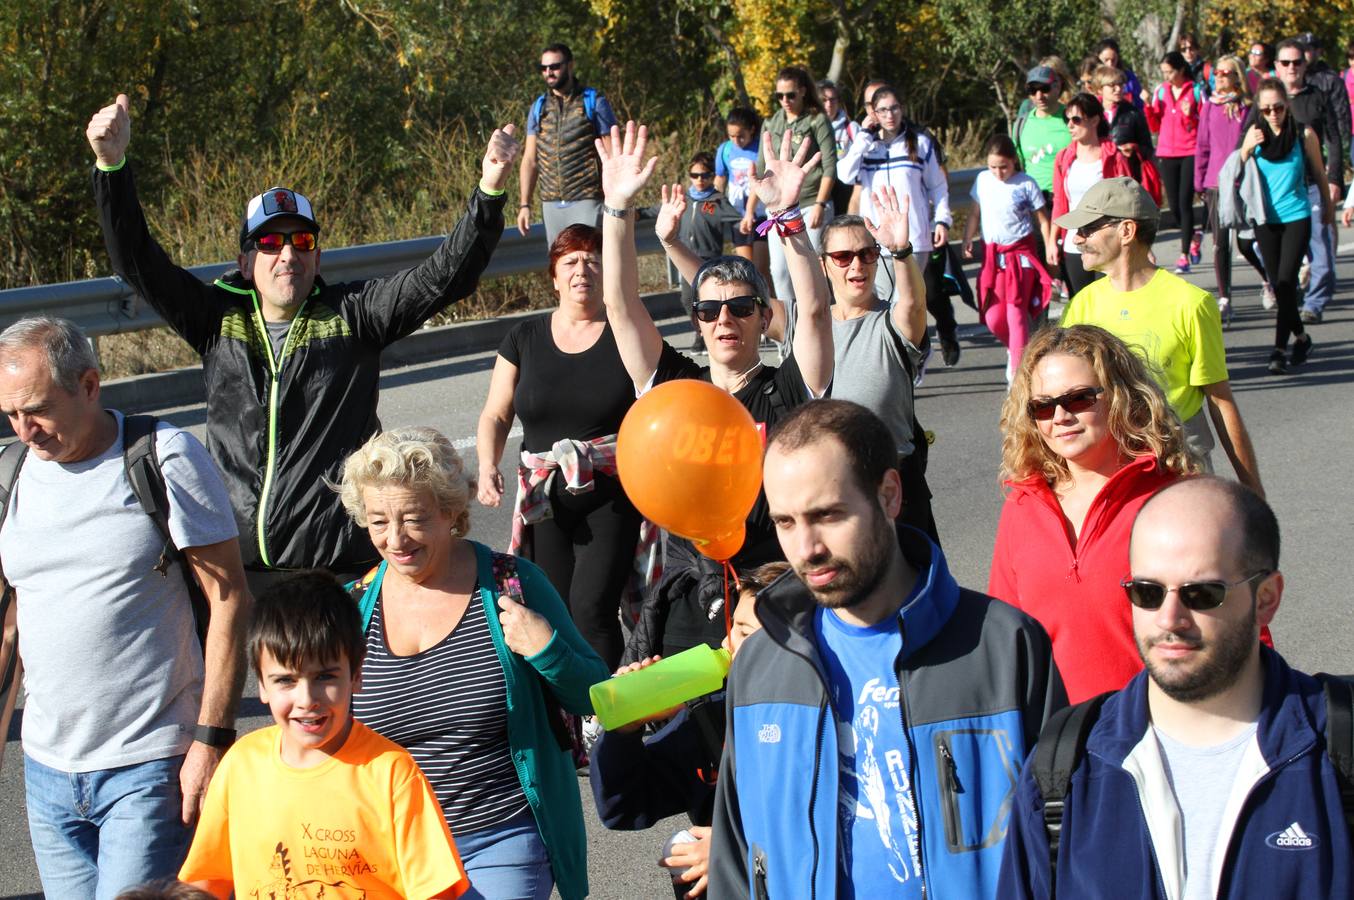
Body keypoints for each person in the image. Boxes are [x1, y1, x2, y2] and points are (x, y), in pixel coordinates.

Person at [86, 93, 521, 590]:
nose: (288, 254)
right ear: (247, 262)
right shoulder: (215, 318)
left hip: (339, 567)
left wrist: (488, 191)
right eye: (271, 243)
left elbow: (443, 277)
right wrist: (111, 167)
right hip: (241, 564)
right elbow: (137, 261)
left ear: (317, 258)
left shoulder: (354, 314)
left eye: (303, 241)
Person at [708, 399, 1066, 899]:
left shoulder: (1003, 647)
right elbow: (736, 859)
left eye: (828, 515)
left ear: (890, 495)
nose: (806, 548)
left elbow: (1067, 847)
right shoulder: (761, 666)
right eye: (786, 523)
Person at [998, 477, 1354, 899]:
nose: (1169, 618)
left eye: (1201, 593)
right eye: (1147, 592)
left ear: (1266, 599)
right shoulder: (1064, 770)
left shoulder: (1336, 749)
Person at [0, 316, 250, 900]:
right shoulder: (11, 475)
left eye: (36, 409)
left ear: (89, 385)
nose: (24, 429)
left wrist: (212, 740)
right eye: (9, 414)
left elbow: (229, 597)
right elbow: (9, 623)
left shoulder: (163, 458)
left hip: (149, 767)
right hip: (46, 772)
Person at [342, 428, 609, 899]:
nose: (396, 539)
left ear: (450, 511)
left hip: (500, 837)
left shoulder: (513, 584)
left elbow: (596, 695)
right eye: (379, 521)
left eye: (413, 519)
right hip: (388, 848)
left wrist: (547, 650)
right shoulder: (352, 608)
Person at [601, 120, 832, 659]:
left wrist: (789, 219)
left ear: (761, 317)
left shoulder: (790, 391)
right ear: (698, 322)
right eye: (709, 310)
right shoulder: (675, 387)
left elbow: (816, 310)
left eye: (740, 308)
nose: (724, 318)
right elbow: (619, 305)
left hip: (777, 596)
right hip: (688, 601)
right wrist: (616, 210)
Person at [178, 572, 470, 899]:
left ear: (356, 675)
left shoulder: (392, 773)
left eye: (325, 677)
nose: (306, 699)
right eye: (286, 680)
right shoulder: (241, 765)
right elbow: (205, 881)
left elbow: (434, 891)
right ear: (260, 684)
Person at [989, 324, 1201, 703]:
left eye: (1079, 399)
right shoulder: (1022, 506)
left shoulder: (1175, 498)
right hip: (1056, 739)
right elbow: (1003, 637)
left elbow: (1232, 625)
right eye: (1042, 406)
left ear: (1121, 396)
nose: (1059, 417)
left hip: (1161, 729)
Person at [476, 226, 649, 669]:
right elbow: (497, 414)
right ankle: (568, 719)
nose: (582, 270)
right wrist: (487, 463)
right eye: (570, 261)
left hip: (612, 493)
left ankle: (610, 718)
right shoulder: (524, 338)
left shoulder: (627, 334)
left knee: (592, 609)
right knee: (552, 613)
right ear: (554, 276)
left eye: (592, 260)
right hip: (544, 499)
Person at [590, 560, 786, 900]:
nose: (728, 642)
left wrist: (735, 848)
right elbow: (625, 807)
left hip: (806, 875)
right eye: (732, 626)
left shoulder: (832, 720)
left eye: (744, 631)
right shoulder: (712, 714)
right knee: (685, 847)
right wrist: (626, 730)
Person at [1056, 177, 1264, 496]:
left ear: (1126, 231)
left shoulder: (1191, 304)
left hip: (1178, 467)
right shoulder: (1082, 305)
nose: (1078, 238)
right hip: (1107, 471)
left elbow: (1220, 401)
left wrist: (1252, 490)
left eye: (1088, 228)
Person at [811, 195, 938, 537]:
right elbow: (735, 304)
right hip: (830, 487)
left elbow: (913, 304)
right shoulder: (808, 323)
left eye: (867, 254)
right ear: (824, 265)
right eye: (842, 257)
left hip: (895, 486)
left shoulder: (891, 323)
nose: (857, 266)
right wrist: (672, 243)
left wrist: (900, 252)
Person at [1244, 39, 1342, 324]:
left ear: (1305, 64)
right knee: (1266, 252)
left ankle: (1314, 303)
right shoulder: (1264, 100)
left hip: (1310, 185)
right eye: (1285, 63)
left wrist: (1334, 179)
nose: (1291, 68)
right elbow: (1245, 141)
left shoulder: (1317, 96)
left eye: (1296, 62)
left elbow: (1334, 140)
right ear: (1276, 66)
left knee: (1321, 248)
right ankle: (1289, 290)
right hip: (1272, 191)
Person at [1238, 78, 1333, 374]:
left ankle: (1279, 349)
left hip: (1297, 216)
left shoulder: (1303, 134)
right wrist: (1246, 150)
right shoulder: (1254, 135)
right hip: (1266, 219)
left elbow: (1318, 172)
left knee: (1285, 282)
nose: (1273, 113)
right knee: (1280, 286)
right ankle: (1302, 338)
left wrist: (1328, 209)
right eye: (1266, 109)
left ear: (1287, 105)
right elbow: (1238, 173)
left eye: (1278, 107)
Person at [837, 82, 952, 294]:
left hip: (914, 240)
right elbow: (844, 175)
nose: (890, 115)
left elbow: (938, 186)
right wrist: (863, 136)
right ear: (873, 113)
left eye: (894, 108)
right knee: (883, 305)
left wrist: (943, 221)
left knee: (907, 302)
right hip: (875, 242)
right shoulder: (866, 146)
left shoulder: (920, 142)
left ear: (902, 109)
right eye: (883, 110)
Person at [743, 66, 838, 307]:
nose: (785, 101)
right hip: (778, 209)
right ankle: (790, 333)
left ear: (803, 92)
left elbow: (829, 166)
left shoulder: (816, 120)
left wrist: (820, 203)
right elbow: (761, 171)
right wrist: (749, 211)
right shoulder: (771, 123)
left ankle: (823, 320)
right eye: (779, 96)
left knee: (814, 267)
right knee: (781, 271)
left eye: (790, 95)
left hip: (810, 204)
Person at [963, 134, 1052, 379]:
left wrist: (1051, 247)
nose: (999, 172)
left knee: (1015, 312)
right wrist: (967, 238)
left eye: (1004, 166)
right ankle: (1017, 351)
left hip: (1020, 255)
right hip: (993, 256)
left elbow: (1043, 221)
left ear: (1014, 161)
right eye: (993, 167)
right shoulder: (982, 180)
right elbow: (974, 213)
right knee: (993, 317)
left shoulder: (1026, 183)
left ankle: (1018, 376)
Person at [515, 42, 618, 244]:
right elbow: (529, 160)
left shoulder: (593, 101)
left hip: (587, 198)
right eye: (543, 68)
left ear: (570, 66)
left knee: (591, 264)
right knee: (560, 269)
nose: (548, 72)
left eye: (554, 66)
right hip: (551, 203)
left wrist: (617, 198)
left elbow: (612, 155)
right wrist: (524, 205)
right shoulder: (539, 107)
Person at [1195, 55, 1270, 322]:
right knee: (1220, 244)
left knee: (1246, 242)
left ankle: (1267, 279)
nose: (1220, 76)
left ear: (1237, 76)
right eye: (1216, 72)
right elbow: (1202, 145)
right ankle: (1225, 297)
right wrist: (1199, 180)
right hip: (1216, 182)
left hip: (1243, 179)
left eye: (1226, 72)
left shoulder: (1249, 108)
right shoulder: (1210, 107)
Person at [1050, 93, 1132, 297]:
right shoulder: (1063, 158)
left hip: (1108, 241)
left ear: (1095, 120)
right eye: (1066, 119)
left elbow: (1128, 201)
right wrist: (1052, 241)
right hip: (1073, 242)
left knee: (1109, 303)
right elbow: (1060, 203)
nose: (1070, 125)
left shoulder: (1114, 155)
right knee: (1082, 306)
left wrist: (1139, 242)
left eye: (1076, 119)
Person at [1143, 51, 1205, 273]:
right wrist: (1148, 105)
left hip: (1190, 150)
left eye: (1170, 72)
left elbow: (1203, 125)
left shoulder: (1196, 91)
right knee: (1175, 206)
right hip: (1167, 151)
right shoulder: (1161, 91)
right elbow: (1154, 125)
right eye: (1164, 73)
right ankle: (1194, 235)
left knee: (1185, 202)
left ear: (1180, 70)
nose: (1167, 76)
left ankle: (1184, 254)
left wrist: (1191, 116)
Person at [715, 107, 773, 298]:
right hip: (737, 216)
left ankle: (774, 314)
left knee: (762, 270)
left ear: (752, 130)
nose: (736, 141)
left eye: (741, 136)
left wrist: (750, 212)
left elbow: (759, 182)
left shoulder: (761, 150)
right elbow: (720, 179)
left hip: (762, 215)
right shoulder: (725, 150)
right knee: (747, 273)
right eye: (731, 136)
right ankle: (754, 314)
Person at [1013, 65, 1072, 204]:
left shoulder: (1071, 117)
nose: (1039, 96)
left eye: (1045, 89)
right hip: (1034, 202)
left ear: (1057, 87)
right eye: (1033, 91)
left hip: (1068, 199)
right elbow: (1016, 165)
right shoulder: (1021, 124)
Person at [819, 79, 861, 216]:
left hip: (844, 188)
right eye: (824, 100)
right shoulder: (809, 128)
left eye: (833, 99)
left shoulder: (851, 128)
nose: (829, 104)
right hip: (818, 188)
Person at [1096, 38, 1145, 110]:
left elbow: (1139, 103)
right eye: (1106, 60)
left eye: (1113, 60)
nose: (1110, 64)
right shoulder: (1093, 78)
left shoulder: (1129, 77)